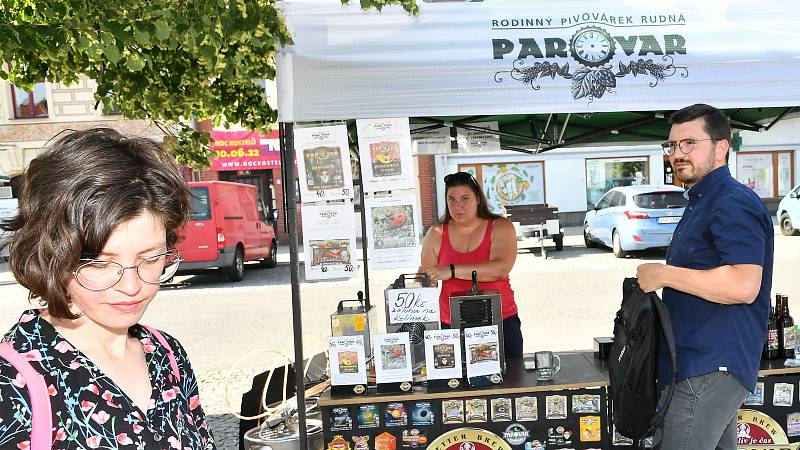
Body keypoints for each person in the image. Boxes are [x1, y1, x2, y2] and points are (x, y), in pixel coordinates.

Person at [0, 128, 216, 449]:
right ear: (52, 253)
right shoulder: (11, 383)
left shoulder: (167, 355)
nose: (132, 286)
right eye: (100, 263)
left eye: (150, 258)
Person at [637, 104, 773, 450]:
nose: (678, 154)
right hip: (699, 362)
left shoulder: (730, 201)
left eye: (689, 143)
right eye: (672, 146)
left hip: (710, 365)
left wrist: (666, 275)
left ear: (721, 147)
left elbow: (743, 285)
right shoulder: (704, 200)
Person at [419, 171, 522, 358]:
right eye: (451, 199)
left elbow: (499, 269)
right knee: (454, 384)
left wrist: (451, 270)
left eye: (465, 199)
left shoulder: (501, 226)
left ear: (478, 199)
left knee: (510, 383)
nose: (457, 206)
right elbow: (425, 280)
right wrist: (425, 280)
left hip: (499, 320)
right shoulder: (435, 233)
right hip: (451, 323)